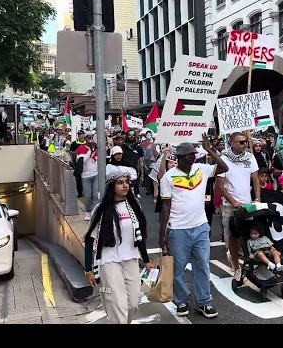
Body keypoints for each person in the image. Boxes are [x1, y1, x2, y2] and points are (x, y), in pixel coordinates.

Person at [159, 135, 229, 318]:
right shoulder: (168, 177)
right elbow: (165, 206)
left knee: (202, 266)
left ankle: (203, 302)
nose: (193, 157)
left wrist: (210, 149)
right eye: (190, 155)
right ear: (180, 157)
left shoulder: (202, 169)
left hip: (200, 227)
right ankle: (181, 301)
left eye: (194, 154)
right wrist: (163, 233)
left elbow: (224, 167)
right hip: (178, 229)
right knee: (178, 268)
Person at [83, 169, 152, 324]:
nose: (125, 186)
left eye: (127, 182)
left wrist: (146, 259)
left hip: (131, 259)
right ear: (111, 186)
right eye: (120, 183)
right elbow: (89, 240)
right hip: (109, 261)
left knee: (132, 304)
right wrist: (88, 269)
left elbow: (139, 236)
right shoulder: (101, 210)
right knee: (118, 305)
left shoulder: (134, 206)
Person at [216, 132, 260, 283]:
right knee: (232, 237)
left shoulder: (250, 157)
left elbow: (255, 178)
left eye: (246, 141)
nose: (245, 144)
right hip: (230, 205)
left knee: (247, 236)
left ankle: (236, 256)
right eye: (241, 142)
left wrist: (257, 198)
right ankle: (236, 266)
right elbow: (220, 186)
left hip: (247, 204)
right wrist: (233, 201)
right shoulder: (223, 160)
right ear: (232, 143)